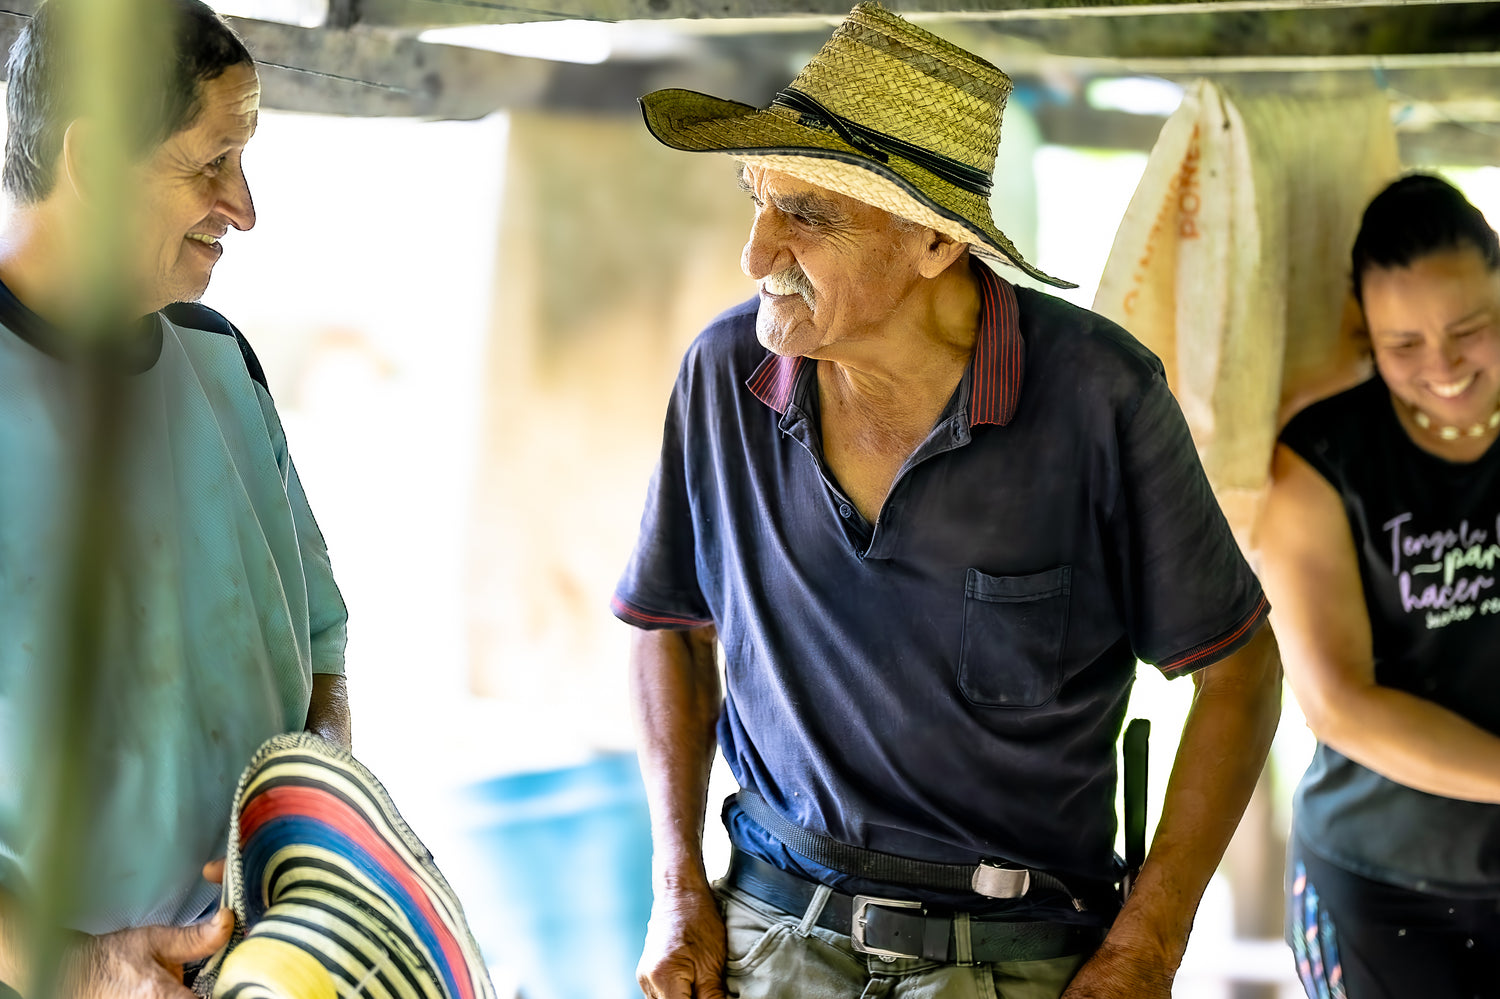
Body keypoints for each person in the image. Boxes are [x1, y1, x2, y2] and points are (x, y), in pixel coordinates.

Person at [613, 5, 1282, 997]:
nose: (757, 252)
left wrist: (1148, 945)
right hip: (771, 938)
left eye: (808, 213)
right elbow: (669, 628)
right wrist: (678, 891)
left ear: (934, 244)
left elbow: (1238, 672)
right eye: (758, 197)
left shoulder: (1098, 397)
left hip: (1016, 955)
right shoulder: (724, 377)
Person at [0, 2, 350, 995]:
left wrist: (322, 845)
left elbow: (320, 640)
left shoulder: (219, 362)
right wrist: (84, 970)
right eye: (212, 161)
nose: (243, 207)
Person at [1260, 174, 1500, 998]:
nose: (1443, 366)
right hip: (1384, 884)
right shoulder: (1322, 460)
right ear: (1364, 331)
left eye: (1471, 328)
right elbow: (1338, 704)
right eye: (1404, 346)